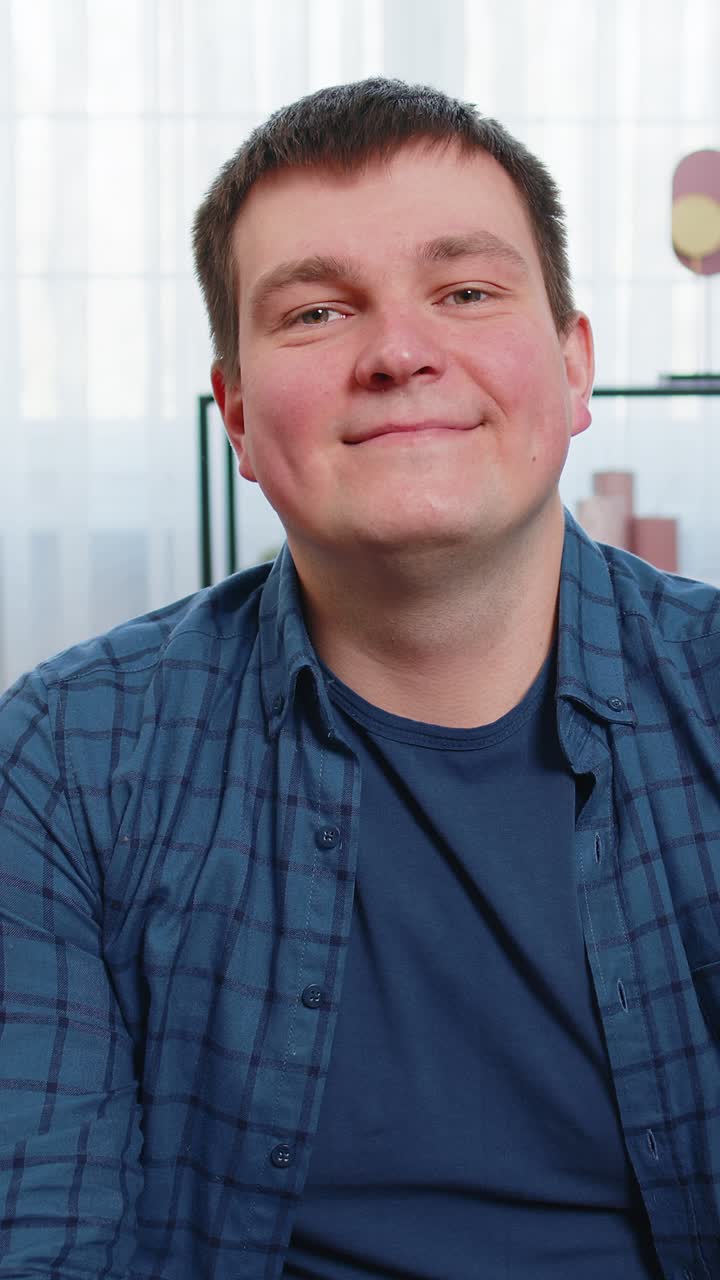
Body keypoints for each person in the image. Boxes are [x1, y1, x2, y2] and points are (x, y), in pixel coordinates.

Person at [0, 76, 717, 1280]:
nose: (397, 351)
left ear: (575, 367)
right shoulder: (66, 759)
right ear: (234, 412)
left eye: (467, 291)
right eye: (318, 312)